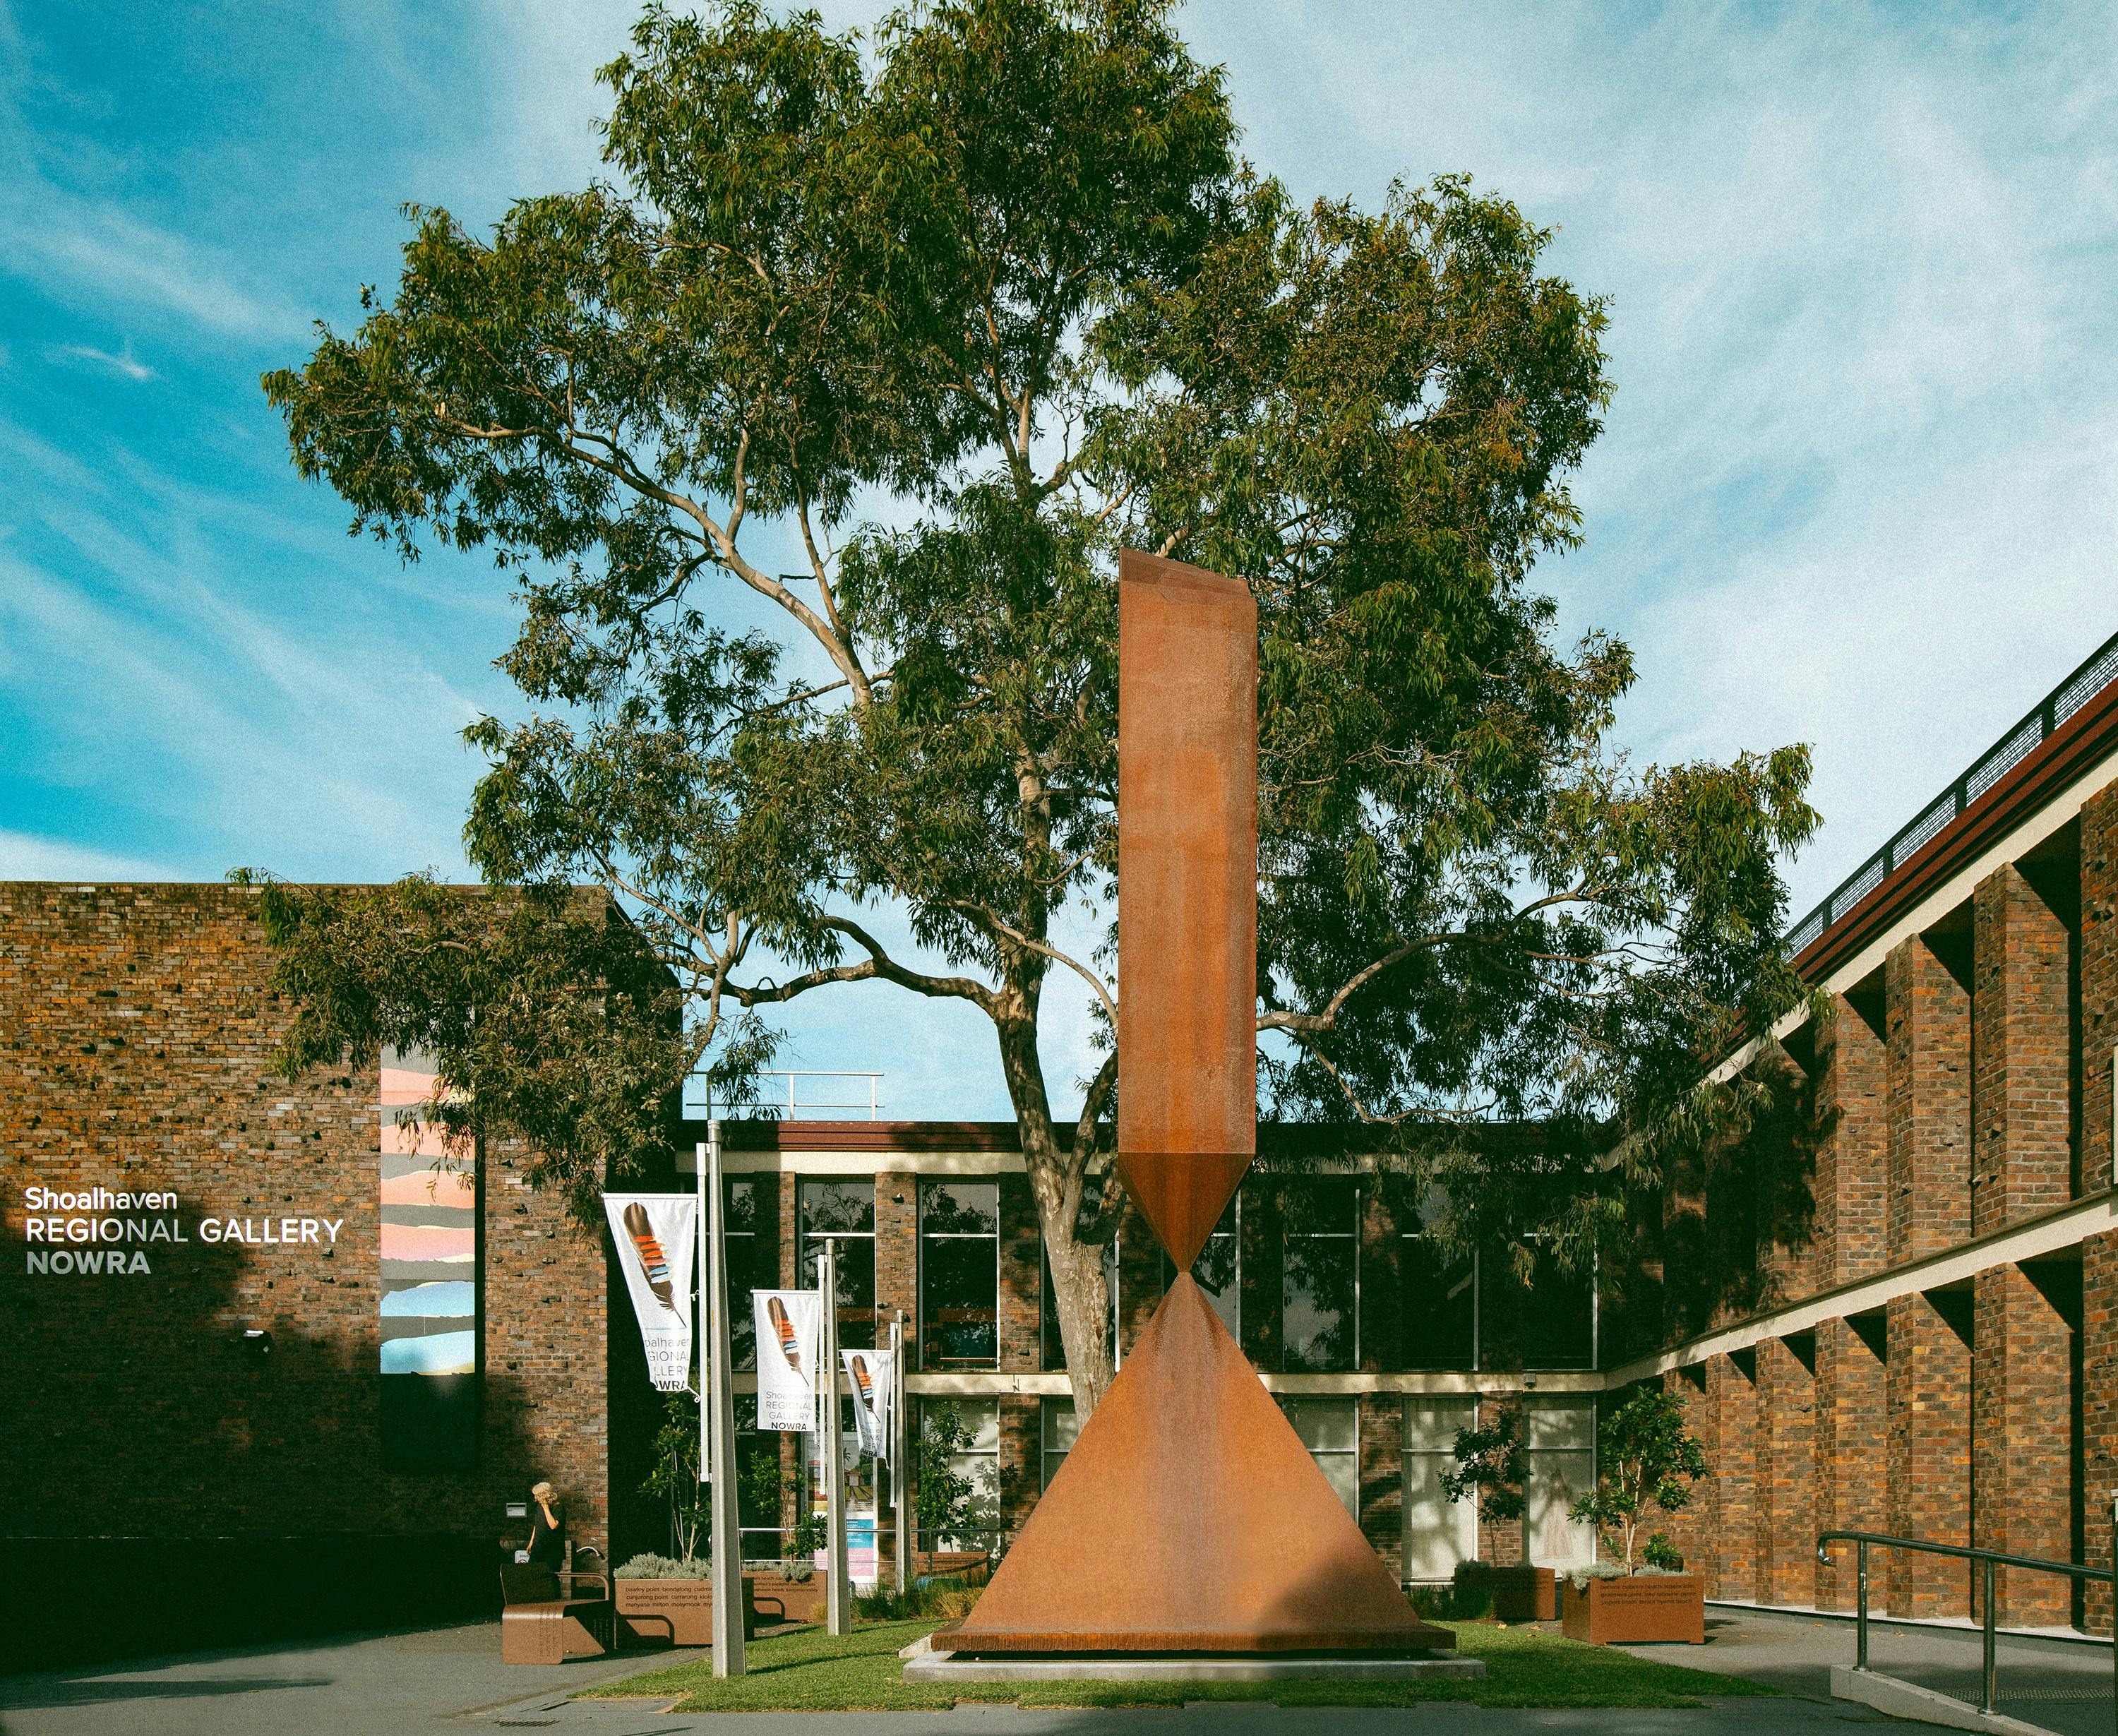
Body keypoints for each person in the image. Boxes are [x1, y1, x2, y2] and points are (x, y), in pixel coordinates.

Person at [522, 1481, 564, 1569]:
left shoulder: (558, 1508)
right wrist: (531, 1542)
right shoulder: (539, 1507)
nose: (536, 1498)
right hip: (539, 1546)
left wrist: (546, 1508)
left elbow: (554, 1526)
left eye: (537, 1495)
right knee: (532, 1571)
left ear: (544, 1495)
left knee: (550, 1576)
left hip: (552, 1549)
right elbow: (537, 1525)